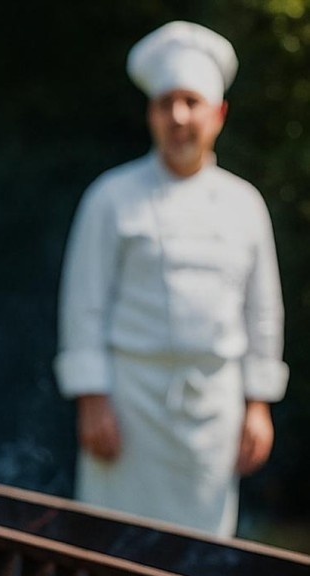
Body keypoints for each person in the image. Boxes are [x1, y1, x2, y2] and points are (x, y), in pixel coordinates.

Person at [54, 21, 288, 538]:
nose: (178, 116)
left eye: (190, 102)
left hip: (213, 411)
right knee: (114, 545)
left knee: (201, 555)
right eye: (165, 104)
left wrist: (258, 405)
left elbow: (263, 311)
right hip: (129, 403)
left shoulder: (245, 204)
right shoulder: (111, 197)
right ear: (151, 115)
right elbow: (83, 303)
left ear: (218, 114)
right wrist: (92, 401)